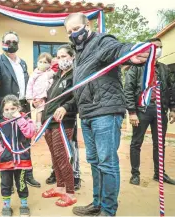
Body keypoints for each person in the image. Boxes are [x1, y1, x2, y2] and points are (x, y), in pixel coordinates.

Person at [63, 13, 150, 216]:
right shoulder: (78, 54)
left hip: (105, 112)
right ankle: (97, 203)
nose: (73, 34)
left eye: (76, 29)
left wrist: (131, 53)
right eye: (69, 32)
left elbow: (117, 50)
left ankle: (108, 210)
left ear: (88, 25)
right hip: (87, 115)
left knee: (107, 162)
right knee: (94, 161)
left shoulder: (101, 41)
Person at [0, 31, 41, 188]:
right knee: (6, 143)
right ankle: (7, 179)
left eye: (14, 41)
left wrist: (33, 98)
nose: (11, 44)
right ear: (3, 42)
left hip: (22, 107)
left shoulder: (23, 63)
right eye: (8, 41)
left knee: (24, 141)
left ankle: (27, 173)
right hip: (6, 109)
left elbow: (26, 84)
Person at [124, 37, 175, 186]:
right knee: (136, 142)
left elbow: (171, 89)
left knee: (159, 143)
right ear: (147, 49)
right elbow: (128, 90)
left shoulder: (164, 69)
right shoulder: (136, 68)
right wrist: (132, 112)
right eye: (154, 47)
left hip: (160, 110)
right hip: (142, 110)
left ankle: (159, 174)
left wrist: (172, 109)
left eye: (160, 47)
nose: (158, 49)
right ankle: (135, 174)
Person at [39, 44, 77, 207]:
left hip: (63, 122)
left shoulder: (75, 75)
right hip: (48, 121)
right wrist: (41, 101)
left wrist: (65, 107)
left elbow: (77, 98)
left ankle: (70, 192)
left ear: (72, 57)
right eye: (59, 57)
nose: (61, 60)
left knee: (62, 157)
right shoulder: (57, 76)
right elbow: (51, 98)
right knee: (55, 157)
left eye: (64, 56)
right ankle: (60, 187)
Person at [0, 95, 35, 217]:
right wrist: (1, 152)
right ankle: (6, 206)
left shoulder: (26, 119)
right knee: (6, 183)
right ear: (3, 110)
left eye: (13, 108)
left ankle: (24, 205)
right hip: (6, 161)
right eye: (7, 109)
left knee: (22, 183)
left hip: (22, 160)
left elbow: (30, 133)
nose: (10, 112)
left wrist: (19, 118)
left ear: (19, 108)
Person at [26, 52, 54, 130]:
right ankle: (38, 126)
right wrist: (29, 98)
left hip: (46, 96)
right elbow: (29, 85)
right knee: (38, 111)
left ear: (49, 64)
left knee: (45, 111)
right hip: (37, 96)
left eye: (45, 62)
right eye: (40, 62)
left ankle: (44, 126)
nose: (42, 64)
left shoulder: (50, 74)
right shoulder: (35, 74)